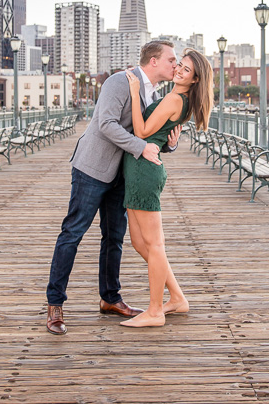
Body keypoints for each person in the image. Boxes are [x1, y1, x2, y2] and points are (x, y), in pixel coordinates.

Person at [45, 41, 181, 335]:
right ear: (154, 61)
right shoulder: (120, 81)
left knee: (114, 238)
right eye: (172, 60)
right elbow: (106, 123)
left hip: (122, 173)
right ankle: (55, 304)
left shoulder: (155, 94)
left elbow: (149, 134)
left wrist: (169, 144)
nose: (176, 65)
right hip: (92, 168)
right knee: (73, 233)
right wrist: (142, 147)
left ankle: (110, 299)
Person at [120, 48, 213, 328]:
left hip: (145, 171)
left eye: (186, 70)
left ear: (195, 80)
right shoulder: (175, 98)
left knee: (155, 244)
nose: (179, 71)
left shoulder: (174, 98)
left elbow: (142, 132)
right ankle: (177, 297)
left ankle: (155, 310)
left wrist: (135, 93)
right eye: (179, 66)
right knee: (140, 243)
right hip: (137, 170)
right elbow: (161, 134)